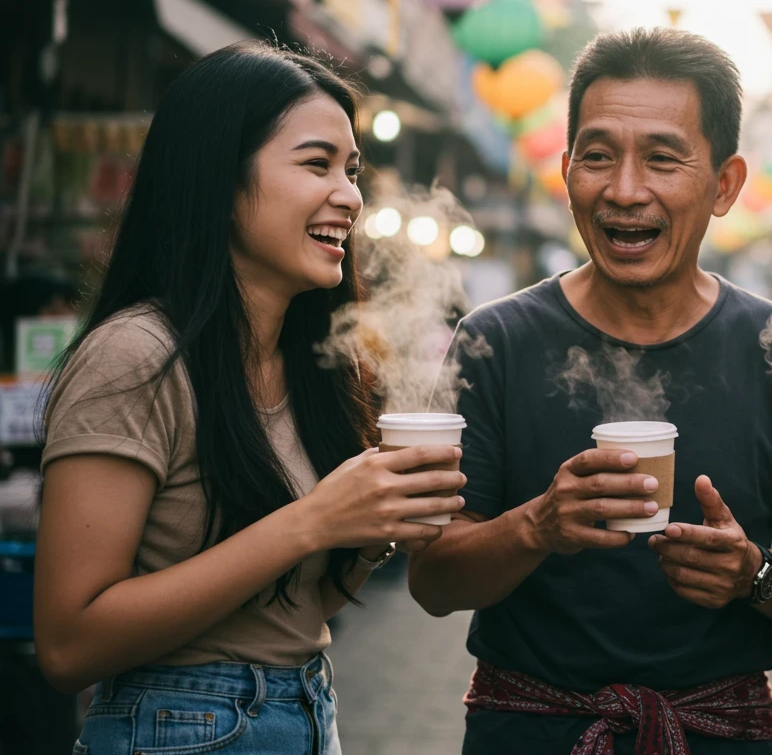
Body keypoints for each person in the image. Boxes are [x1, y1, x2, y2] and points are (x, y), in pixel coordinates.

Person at [410, 28, 772, 754]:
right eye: (599, 155)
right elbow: (432, 583)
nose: (624, 190)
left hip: (718, 733)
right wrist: (537, 526)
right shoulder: (495, 343)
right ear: (568, 167)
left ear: (725, 185)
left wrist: (755, 574)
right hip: (529, 729)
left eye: (663, 159)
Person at [34, 42, 464, 754]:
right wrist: (314, 521)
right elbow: (68, 644)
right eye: (317, 163)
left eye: (353, 171)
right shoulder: (135, 356)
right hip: (176, 726)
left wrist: (370, 530)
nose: (350, 196)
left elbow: (293, 612)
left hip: (304, 711)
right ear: (221, 180)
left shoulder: (309, 364)